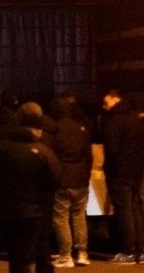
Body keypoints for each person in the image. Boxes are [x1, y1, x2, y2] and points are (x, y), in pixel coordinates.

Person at [0, 102, 60, 273]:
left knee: (17, 256)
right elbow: (56, 178)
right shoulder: (43, 151)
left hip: (9, 210)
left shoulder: (2, 148)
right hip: (37, 211)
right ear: (36, 129)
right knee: (37, 253)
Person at [100, 90, 144, 265]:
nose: (104, 106)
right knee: (135, 209)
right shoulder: (136, 119)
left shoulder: (113, 121)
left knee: (124, 211)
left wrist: (108, 169)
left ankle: (128, 251)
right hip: (137, 171)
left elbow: (111, 150)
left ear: (115, 99)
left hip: (119, 172)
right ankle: (141, 250)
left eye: (106, 102)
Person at [49, 97, 92, 268]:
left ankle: (65, 255)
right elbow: (88, 155)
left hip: (63, 178)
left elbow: (53, 156)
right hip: (80, 178)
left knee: (61, 217)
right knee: (79, 216)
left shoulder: (56, 129)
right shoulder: (81, 128)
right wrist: (86, 175)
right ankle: (82, 253)